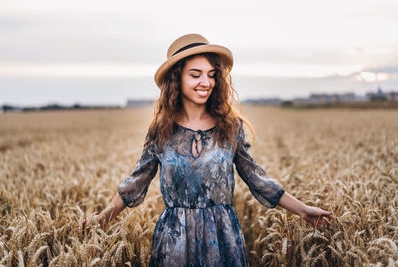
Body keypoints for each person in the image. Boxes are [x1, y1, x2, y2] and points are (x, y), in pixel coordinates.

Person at [93, 33, 333, 266]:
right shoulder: (161, 131)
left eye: (211, 74)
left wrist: (303, 210)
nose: (205, 82)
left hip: (222, 237)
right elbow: (135, 183)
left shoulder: (230, 127)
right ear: (177, 79)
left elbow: (257, 177)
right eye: (195, 75)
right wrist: (100, 220)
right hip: (175, 240)